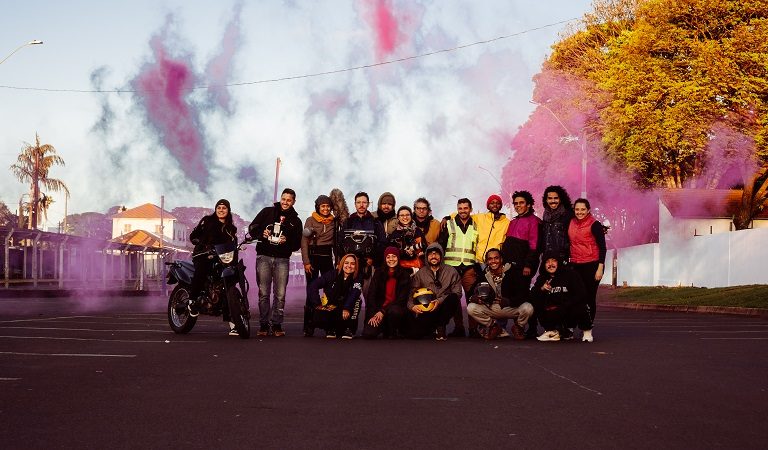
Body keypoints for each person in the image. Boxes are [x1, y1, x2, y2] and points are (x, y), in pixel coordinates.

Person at [248, 188, 302, 337]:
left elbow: (297, 243)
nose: (285, 202)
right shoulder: (267, 212)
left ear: (293, 202)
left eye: (289, 200)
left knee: (280, 294)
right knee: (263, 293)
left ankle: (277, 324)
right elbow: (252, 228)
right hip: (264, 256)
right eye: (283, 199)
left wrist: (288, 241)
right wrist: (262, 233)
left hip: (282, 259)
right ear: (280, 198)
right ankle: (264, 324)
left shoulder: (296, 221)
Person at [188, 199, 238, 334]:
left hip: (222, 259)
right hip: (203, 254)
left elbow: (233, 245)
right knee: (202, 271)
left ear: (228, 210)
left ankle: (234, 323)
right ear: (215, 209)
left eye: (224, 208)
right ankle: (192, 301)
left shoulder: (231, 229)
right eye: (219, 207)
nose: (221, 210)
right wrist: (202, 244)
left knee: (230, 285)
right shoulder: (207, 221)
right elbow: (193, 236)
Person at [466, 248, 534, 340]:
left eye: (496, 258)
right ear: (486, 261)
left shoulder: (513, 271)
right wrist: (473, 298)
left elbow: (524, 294)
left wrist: (510, 301)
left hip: (511, 307)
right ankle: (494, 327)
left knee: (528, 307)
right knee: (471, 307)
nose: (493, 261)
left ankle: (518, 327)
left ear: (501, 259)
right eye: (490, 259)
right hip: (492, 307)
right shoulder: (484, 275)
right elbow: (471, 292)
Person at [501, 190, 542, 339]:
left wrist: (528, 265)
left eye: (521, 203)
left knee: (524, 298)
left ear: (529, 204)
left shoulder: (535, 221)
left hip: (523, 268)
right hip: (508, 268)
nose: (518, 206)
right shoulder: (513, 222)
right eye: (516, 203)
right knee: (507, 298)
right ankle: (503, 328)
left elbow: (534, 246)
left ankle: (529, 328)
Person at [438, 198, 479, 338]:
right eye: (460, 208)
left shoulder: (476, 225)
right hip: (451, 268)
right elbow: (441, 245)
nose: (463, 211)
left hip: (469, 267)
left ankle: (474, 329)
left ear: (470, 209)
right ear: (457, 209)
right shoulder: (448, 224)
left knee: (472, 298)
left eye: (465, 208)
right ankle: (459, 327)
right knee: (455, 298)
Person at [531, 254, 594, 342]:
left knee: (582, 304)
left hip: (570, 308)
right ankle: (553, 331)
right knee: (536, 302)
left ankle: (587, 331)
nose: (550, 264)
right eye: (547, 262)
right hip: (554, 312)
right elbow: (533, 296)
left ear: (559, 262)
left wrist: (566, 305)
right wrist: (542, 289)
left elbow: (581, 294)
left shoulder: (571, 274)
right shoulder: (542, 278)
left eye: (553, 261)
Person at [338, 192, 386, 303]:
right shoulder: (348, 222)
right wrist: (344, 259)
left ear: (368, 204)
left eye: (364, 202)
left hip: (368, 266)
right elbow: (340, 242)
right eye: (358, 202)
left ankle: (369, 319)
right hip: (350, 266)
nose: (361, 205)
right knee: (347, 297)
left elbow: (382, 243)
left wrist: (373, 259)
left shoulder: (376, 222)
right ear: (355, 204)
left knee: (369, 296)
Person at [407, 243, 461, 341]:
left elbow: (457, 293)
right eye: (431, 254)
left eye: (436, 254)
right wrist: (412, 306)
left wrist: (439, 301)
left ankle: (441, 326)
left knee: (453, 298)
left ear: (441, 256)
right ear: (427, 256)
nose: (433, 256)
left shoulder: (451, 271)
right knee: (415, 335)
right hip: (427, 309)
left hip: (443, 307)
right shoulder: (421, 273)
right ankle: (432, 328)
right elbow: (412, 292)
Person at [300, 194, 336, 336]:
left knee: (329, 291)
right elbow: (304, 242)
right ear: (318, 207)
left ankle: (328, 325)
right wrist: (306, 262)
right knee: (311, 291)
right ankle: (309, 326)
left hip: (327, 257)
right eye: (323, 206)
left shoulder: (334, 221)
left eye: (328, 206)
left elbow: (336, 243)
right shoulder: (310, 220)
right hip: (313, 258)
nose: (326, 209)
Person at [568, 198, 606, 324]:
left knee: (589, 297)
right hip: (575, 264)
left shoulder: (595, 224)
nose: (580, 212)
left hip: (592, 265)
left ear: (588, 210)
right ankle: (572, 326)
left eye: (583, 209)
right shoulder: (571, 222)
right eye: (577, 209)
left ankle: (588, 327)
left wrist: (600, 268)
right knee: (575, 296)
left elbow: (602, 247)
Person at [307, 254, 363, 339]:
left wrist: (347, 308)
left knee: (357, 300)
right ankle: (330, 328)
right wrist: (317, 304)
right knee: (319, 315)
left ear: (356, 266)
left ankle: (349, 329)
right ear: (342, 264)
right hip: (333, 305)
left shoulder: (358, 277)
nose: (349, 266)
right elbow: (313, 285)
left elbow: (355, 293)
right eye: (346, 263)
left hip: (347, 307)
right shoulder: (332, 274)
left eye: (352, 263)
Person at [362, 246, 410, 339]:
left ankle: (393, 329)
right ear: (385, 259)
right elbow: (371, 296)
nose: (391, 259)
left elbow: (402, 300)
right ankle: (384, 327)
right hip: (378, 311)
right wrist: (372, 315)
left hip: (394, 310)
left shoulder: (405, 275)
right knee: (368, 334)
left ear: (398, 258)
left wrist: (383, 311)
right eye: (388, 257)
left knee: (395, 311)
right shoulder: (378, 273)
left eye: (394, 256)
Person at [538, 185, 574, 267]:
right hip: (547, 258)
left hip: (562, 258)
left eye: (556, 198)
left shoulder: (569, 214)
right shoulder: (545, 215)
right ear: (546, 200)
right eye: (550, 198)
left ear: (561, 199)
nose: (553, 201)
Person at [472, 194, 510, 265]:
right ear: (488, 205)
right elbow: (464, 215)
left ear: (500, 206)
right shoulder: (480, 217)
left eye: (498, 203)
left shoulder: (507, 222)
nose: (495, 205)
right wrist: (447, 217)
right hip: (478, 261)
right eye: (492, 203)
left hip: (495, 262)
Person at [386, 206, 425, 270]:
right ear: (398, 217)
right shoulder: (394, 234)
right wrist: (404, 252)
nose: (405, 217)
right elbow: (390, 252)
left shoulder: (417, 231)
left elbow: (424, 246)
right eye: (402, 215)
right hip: (401, 269)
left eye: (407, 215)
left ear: (411, 216)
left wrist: (421, 252)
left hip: (418, 267)